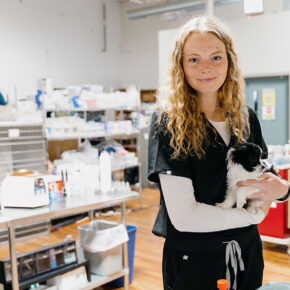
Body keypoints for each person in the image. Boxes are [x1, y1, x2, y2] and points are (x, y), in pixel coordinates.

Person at [148, 16, 290, 290]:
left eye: (215, 57)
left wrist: (283, 190)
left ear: (229, 61)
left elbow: (264, 186)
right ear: (180, 65)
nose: (206, 68)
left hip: (246, 255)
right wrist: (252, 216)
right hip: (194, 263)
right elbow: (185, 216)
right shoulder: (167, 122)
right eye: (193, 59)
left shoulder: (246, 117)